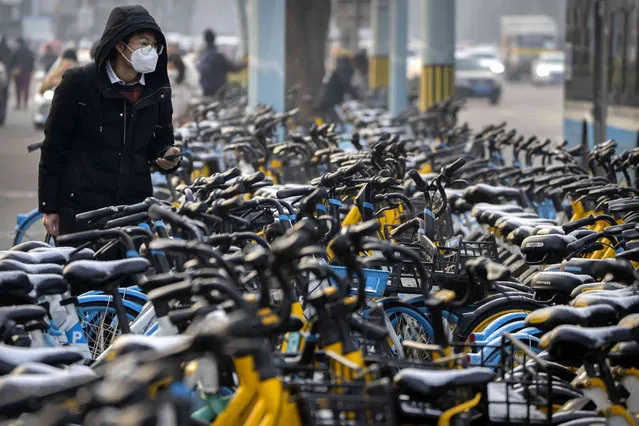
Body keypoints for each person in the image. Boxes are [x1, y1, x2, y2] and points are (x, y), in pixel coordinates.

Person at [38, 5, 181, 237]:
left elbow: (160, 140)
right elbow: (54, 146)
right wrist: (50, 206)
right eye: (143, 44)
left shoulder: (158, 90)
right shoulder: (79, 83)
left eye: (155, 46)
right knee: (84, 272)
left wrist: (167, 155)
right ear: (119, 44)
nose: (150, 51)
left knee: (133, 272)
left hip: (133, 209)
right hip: (82, 210)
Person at [197, 29, 244, 96]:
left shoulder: (203, 54)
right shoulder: (216, 54)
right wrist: (244, 64)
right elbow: (233, 67)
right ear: (214, 39)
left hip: (205, 90)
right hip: (217, 91)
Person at [316, 52, 359, 122]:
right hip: (332, 101)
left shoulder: (337, 70)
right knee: (337, 121)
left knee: (330, 120)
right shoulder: (343, 69)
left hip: (325, 99)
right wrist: (357, 97)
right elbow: (346, 84)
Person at [168, 52, 200, 123]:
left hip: (186, 98)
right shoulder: (172, 71)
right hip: (175, 99)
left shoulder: (188, 69)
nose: (171, 69)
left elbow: (194, 84)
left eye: (172, 67)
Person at [9, 38, 35, 109]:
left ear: (18, 42)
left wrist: (11, 69)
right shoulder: (29, 50)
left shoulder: (16, 50)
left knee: (18, 88)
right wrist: (32, 70)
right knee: (26, 88)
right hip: (27, 71)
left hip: (17, 71)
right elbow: (32, 61)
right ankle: (25, 104)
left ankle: (18, 104)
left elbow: (11, 61)